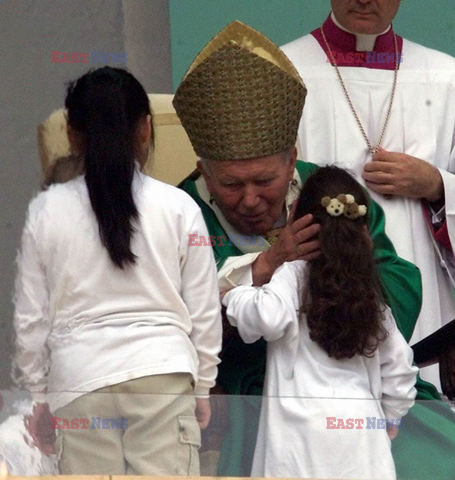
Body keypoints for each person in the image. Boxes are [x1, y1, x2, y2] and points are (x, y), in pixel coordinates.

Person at [175, 20, 425, 476]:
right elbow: (169, 308)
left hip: (355, 381)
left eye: (265, 181)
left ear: (291, 159)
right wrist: (270, 262)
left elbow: (397, 283)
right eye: (230, 184)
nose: (250, 200)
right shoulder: (177, 213)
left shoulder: (331, 196)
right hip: (239, 392)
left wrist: (339, 280)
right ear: (203, 171)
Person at [12, 67, 222, 475]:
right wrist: (202, 385)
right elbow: (204, 310)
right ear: (145, 129)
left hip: (78, 382)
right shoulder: (180, 208)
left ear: (72, 134)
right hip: (162, 376)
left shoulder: (45, 211)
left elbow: (30, 319)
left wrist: (38, 395)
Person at [281, 0, 455, 391]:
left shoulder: (445, 75)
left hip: (422, 287)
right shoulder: (284, 70)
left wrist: (436, 184)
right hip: (321, 291)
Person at [222, 166, 418, 480]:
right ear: (363, 229)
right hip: (359, 432)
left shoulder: (294, 274)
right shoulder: (369, 292)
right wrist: (391, 419)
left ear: (297, 215)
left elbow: (267, 318)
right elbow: (399, 368)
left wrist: (235, 295)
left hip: (299, 435)